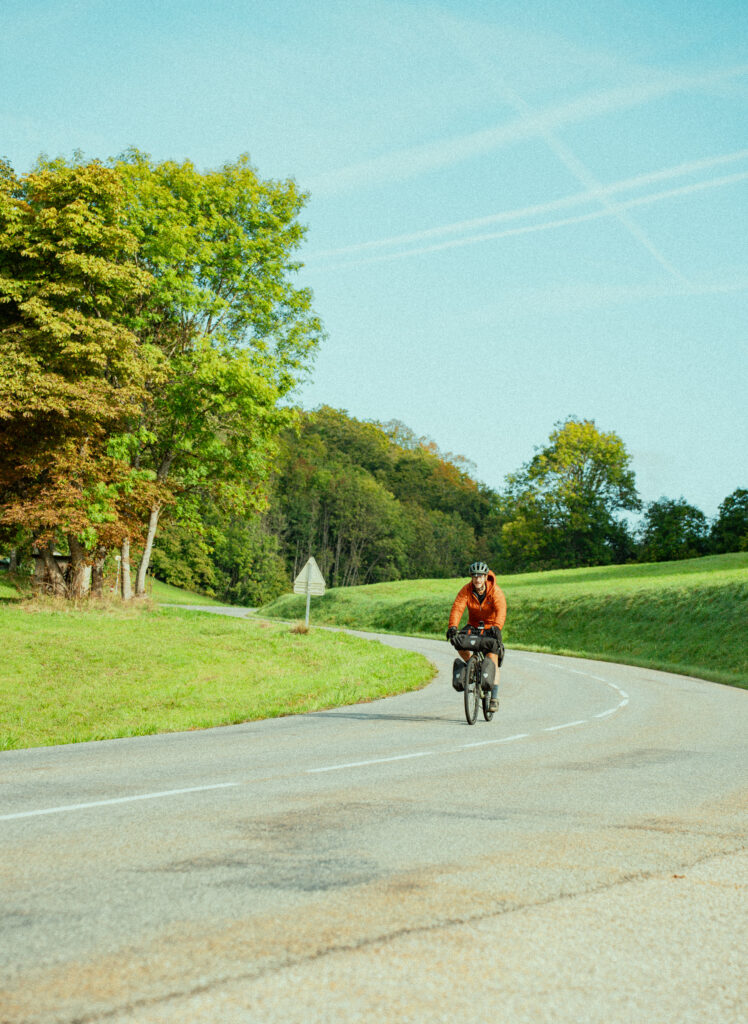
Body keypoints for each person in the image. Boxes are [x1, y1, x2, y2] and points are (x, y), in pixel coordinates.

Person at [446, 561, 506, 712]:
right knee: (458, 642)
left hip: (491, 626)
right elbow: (458, 607)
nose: (477, 580)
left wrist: (497, 627)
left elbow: (501, 610)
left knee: (492, 658)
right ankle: (471, 667)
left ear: (486, 577)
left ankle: (494, 698)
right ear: (471, 578)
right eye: (474, 577)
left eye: (480, 576)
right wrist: (453, 626)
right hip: (473, 625)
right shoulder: (466, 590)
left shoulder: (495, 591)